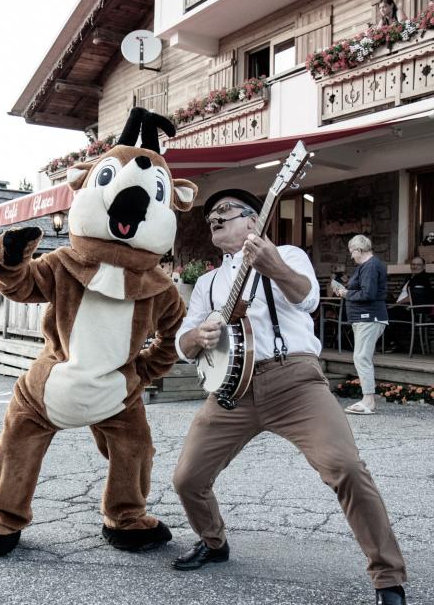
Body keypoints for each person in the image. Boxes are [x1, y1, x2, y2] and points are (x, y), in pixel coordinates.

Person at [170, 190, 407, 605]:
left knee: (346, 467)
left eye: (225, 210)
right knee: (187, 478)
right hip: (231, 392)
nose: (214, 217)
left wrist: (272, 265)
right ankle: (213, 541)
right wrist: (194, 338)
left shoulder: (288, 254)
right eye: (210, 214)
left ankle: (388, 578)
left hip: (294, 380)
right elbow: (181, 341)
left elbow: (308, 298)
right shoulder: (206, 282)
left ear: (253, 221)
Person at [335, 235, 388, 414]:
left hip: (369, 317)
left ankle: (369, 401)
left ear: (358, 250)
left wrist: (346, 294)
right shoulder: (368, 266)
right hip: (365, 318)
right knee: (362, 357)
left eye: (352, 252)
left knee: (361, 357)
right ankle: (367, 399)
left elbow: (368, 294)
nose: (352, 256)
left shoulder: (370, 266)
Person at [385, 256, 434, 351]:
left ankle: (393, 343)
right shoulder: (411, 277)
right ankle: (390, 342)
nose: (415, 266)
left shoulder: (422, 278)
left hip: (411, 310)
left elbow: (413, 297)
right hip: (402, 307)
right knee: (380, 312)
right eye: (413, 264)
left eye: (418, 264)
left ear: (424, 267)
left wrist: (395, 305)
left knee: (386, 315)